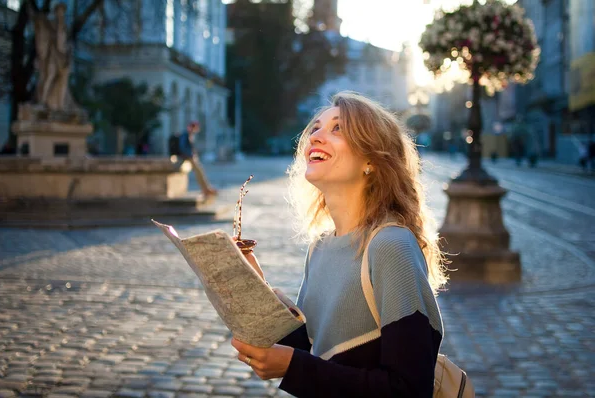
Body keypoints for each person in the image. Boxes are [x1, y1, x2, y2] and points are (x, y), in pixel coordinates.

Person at [231, 92, 447, 397]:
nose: (316, 135)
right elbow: (315, 348)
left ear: (371, 160)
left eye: (337, 129)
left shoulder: (390, 245)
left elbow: (409, 388)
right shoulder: (320, 246)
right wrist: (255, 289)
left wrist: (293, 367)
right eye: (316, 127)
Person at [179, 121, 218, 200]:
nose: (196, 131)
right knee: (199, 171)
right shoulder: (185, 134)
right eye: (195, 128)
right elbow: (182, 147)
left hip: (190, 156)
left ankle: (206, 188)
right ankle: (206, 189)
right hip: (187, 157)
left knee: (200, 171)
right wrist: (191, 155)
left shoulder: (189, 134)